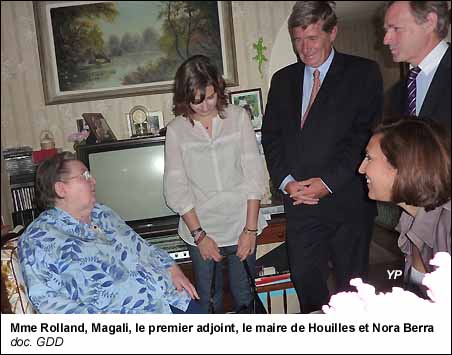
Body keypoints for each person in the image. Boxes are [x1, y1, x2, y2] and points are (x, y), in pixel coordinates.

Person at [261, 1, 383, 313]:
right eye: (297, 40)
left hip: (347, 203)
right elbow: (272, 138)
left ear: (333, 33)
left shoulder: (363, 73)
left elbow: (362, 138)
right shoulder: (282, 80)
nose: (304, 48)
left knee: (351, 292)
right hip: (300, 203)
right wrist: (287, 182)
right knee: (306, 283)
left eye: (312, 38)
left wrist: (327, 183)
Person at [18, 152, 200, 314]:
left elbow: (143, 248)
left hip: (171, 298)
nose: (94, 181)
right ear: (61, 189)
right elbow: (49, 303)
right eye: (85, 176)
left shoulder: (103, 213)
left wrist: (173, 269)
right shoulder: (38, 238)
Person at [163, 55, 267, 313]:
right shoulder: (176, 130)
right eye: (196, 100)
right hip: (201, 228)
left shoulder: (238, 117)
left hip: (241, 223)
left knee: (245, 296)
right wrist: (200, 237)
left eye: (209, 97)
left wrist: (250, 231)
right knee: (210, 302)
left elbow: (254, 175)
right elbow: (176, 189)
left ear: (218, 89)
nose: (204, 106)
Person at [358, 117, 451, 297]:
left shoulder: (447, 225)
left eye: (369, 158)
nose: (361, 169)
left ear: (402, 165)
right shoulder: (410, 217)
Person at [383, 1, 451, 130]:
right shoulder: (397, 92)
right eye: (386, 30)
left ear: (429, 22)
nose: (386, 40)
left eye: (396, 28)